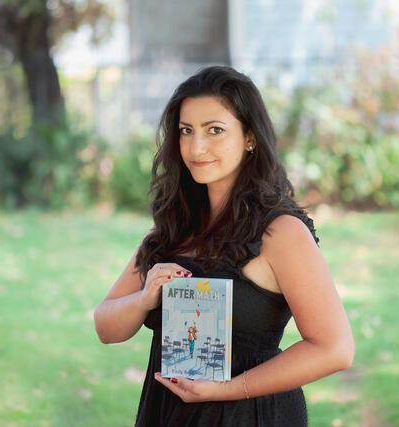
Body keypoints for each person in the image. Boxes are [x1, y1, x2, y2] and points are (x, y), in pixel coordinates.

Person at [93, 66, 355, 427]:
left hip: (249, 414)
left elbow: (334, 348)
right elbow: (106, 328)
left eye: (214, 130)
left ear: (249, 137)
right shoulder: (171, 230)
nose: (196, 147)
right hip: (170, 412)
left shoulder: (281, 233)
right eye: (187, 131)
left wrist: (226, 390)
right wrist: (144, 299)